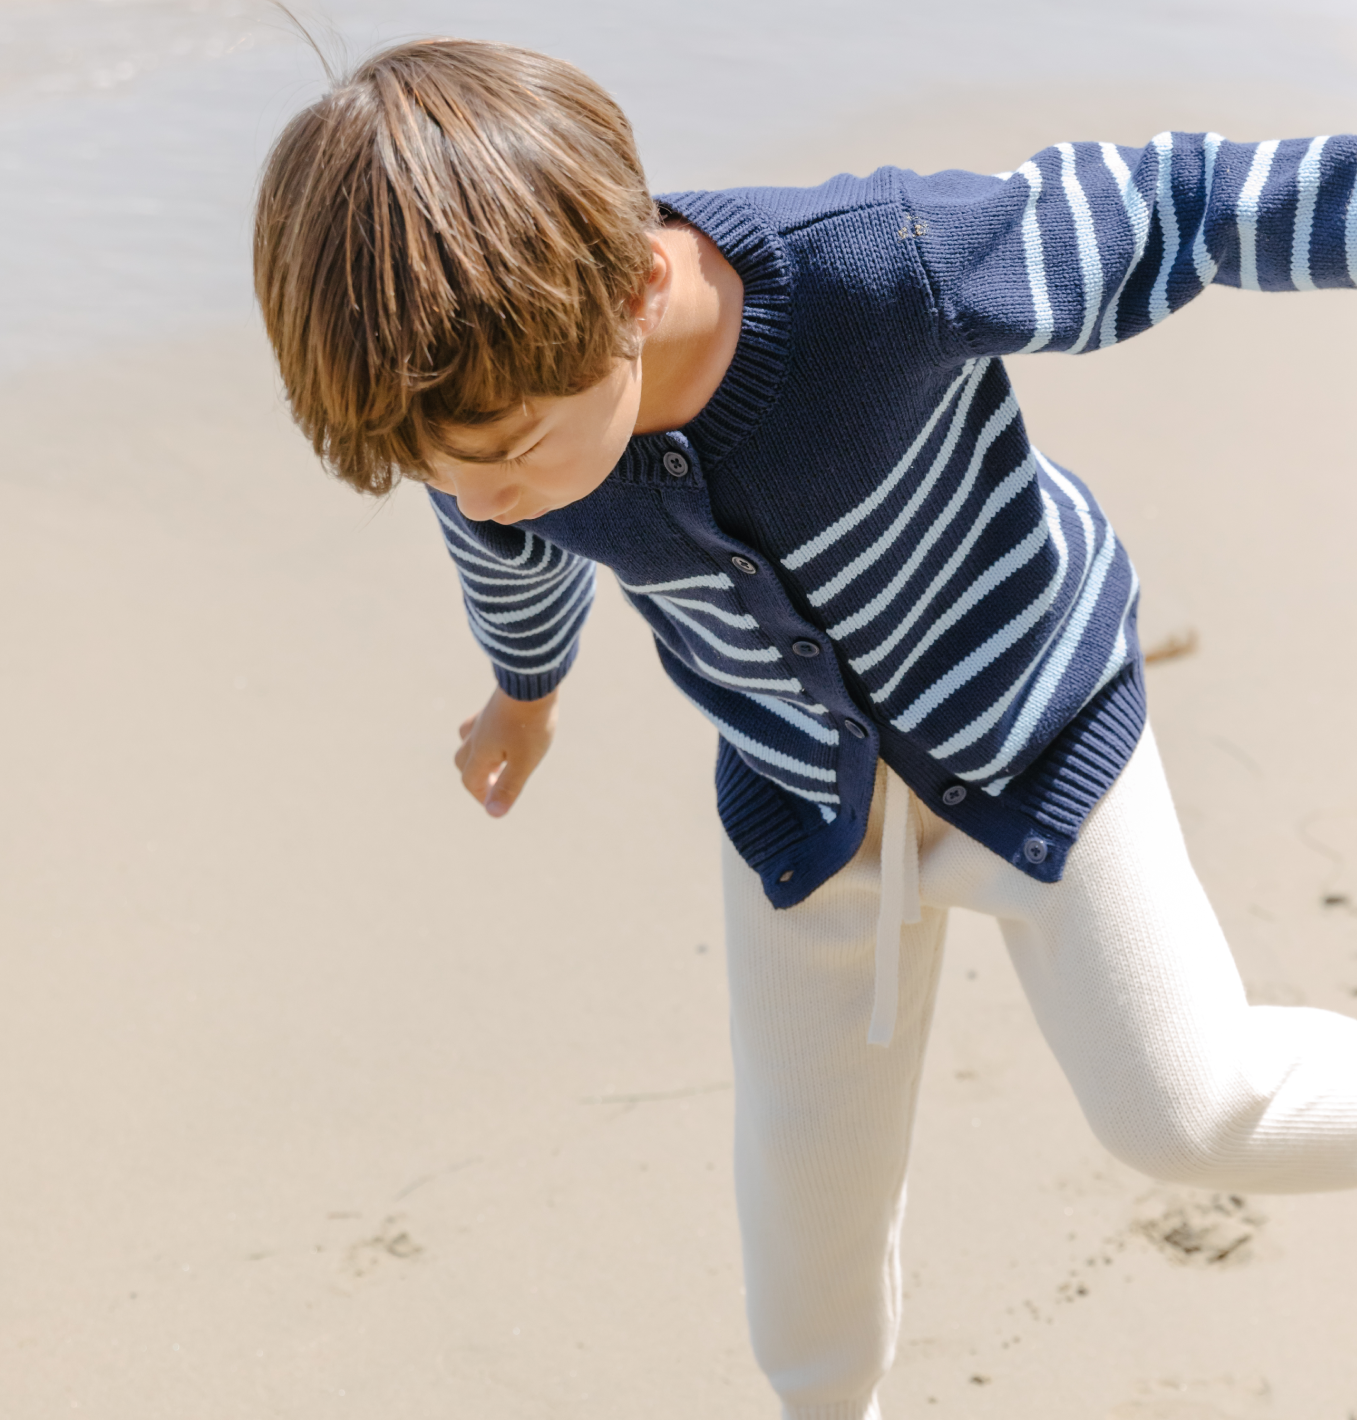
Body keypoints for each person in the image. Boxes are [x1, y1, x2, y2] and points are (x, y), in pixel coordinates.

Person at [253, 38, 1357, 1419]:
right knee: (804, 1206)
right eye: (438, 478)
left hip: (1039, 727)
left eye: (504, 459)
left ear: (637, 288)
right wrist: (523, 698)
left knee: (1190, 1114)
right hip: (805, 801)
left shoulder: (883, 270)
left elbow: (1172, 206)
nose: (481, 499)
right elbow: (509, 561)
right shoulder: (475, 402)